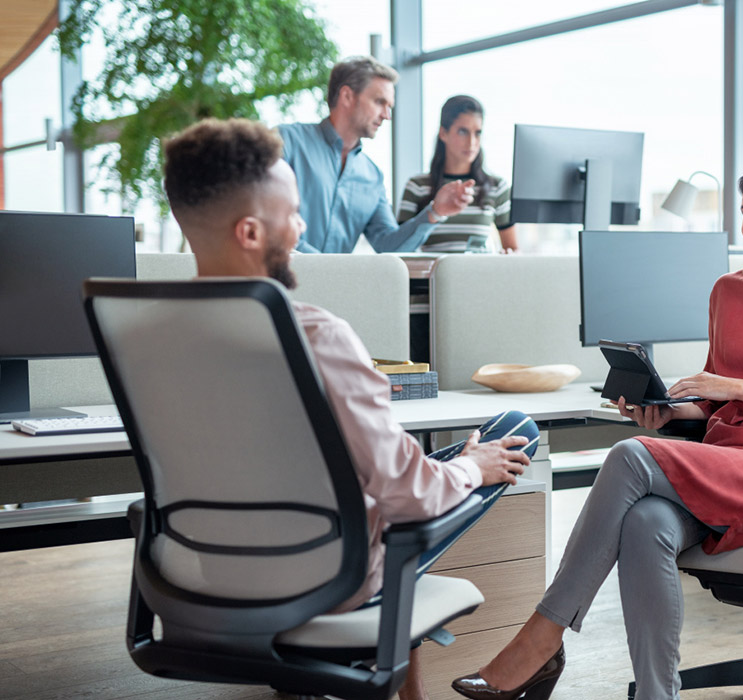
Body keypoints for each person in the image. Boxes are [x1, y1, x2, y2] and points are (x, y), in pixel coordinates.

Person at [451, 147, 743, 700]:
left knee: (630, 455)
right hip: (732, 463)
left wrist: (730, 386)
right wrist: (668, 411)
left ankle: (542, 638)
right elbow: (716, 410)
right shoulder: (730, 291)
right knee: (646, 521)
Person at [162, 117, 539, 700]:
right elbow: (408, 496)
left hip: (208, 573)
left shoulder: (155, 332)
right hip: (327, 579)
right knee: (513, 431)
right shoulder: (316, 336)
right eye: (293, 213)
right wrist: (471, 467)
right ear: (250, 232)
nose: (301, 227)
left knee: (391, 474)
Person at [278, 56, 476, 253]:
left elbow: (389, 247)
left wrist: (435, 212)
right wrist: (325, 267)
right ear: (347, 96)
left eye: (389, 107)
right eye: (380, 102)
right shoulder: (287, 142)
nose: (386, 116)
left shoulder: (372, 176)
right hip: (280, 274)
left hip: (334, 274)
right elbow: (271, 225)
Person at [397, 95, 518, 253]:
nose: (471, 142)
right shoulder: (417, 186)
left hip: (479, 269)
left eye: (478, 133)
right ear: (443, 133)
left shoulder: (496, 187)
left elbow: (512, 249)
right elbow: (399, 247)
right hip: (431, 270)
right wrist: (434, 211)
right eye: (463, 132)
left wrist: (507, 256)